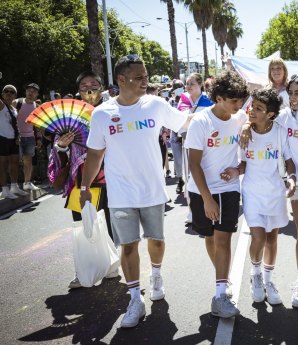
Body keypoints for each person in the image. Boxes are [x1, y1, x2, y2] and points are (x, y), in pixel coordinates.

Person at [80, 55, 188, 328]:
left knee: (156, 241)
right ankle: (134, 299)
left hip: (152, 190)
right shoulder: (102, 114)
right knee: (128, 245)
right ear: (121, 80)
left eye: (145, 75)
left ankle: (156, 274)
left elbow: (186, 123)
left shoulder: (156, 105)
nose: (145, 81)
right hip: (121, 194)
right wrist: (84, 186)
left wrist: (222, 115)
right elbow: (94, 155)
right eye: (139, 77)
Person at [240, 75, 298, 308]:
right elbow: (260, 120)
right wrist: (245, 126)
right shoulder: (284, 118)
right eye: (290, 93)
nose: (292, 98)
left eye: (297, 93)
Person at [184, 70, 249, 318]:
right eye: (234, 101)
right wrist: (207, 198)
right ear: (219, 97)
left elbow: (252, 119)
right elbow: (194, 165)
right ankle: (222, 280)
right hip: (201, 190)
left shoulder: (240, 115)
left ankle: (220, 294)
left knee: (223, 240)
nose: (239, 105)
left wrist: (246, 126)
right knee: (210, 239)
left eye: (241, 100)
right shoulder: (201, 122)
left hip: (229, 188)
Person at [46, 71, 117, 289]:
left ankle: (111, 264)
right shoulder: (70, 116)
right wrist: (62, 145)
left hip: (111, 177)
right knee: (81, 224)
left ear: (101, 87)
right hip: (80, 180)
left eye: (94, 84)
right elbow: (59, 153)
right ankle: (84, 269)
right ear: (79, 90)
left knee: (110, 222)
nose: (89, 88)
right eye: (84, 85)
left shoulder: (113, 111)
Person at [235, 88, 296, 305]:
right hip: (252, 193)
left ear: (270, 114)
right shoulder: (244, 131)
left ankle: (269, 280)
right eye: (252, 106)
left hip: (275, 193)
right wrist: (235, 171)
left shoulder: (280, 131)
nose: (252, 111)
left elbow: (289, 159)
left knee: (272, 239)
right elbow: (242, 163)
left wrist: (292, 178)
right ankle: (256, 275)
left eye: (259, 108)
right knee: (258, 237)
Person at [175, 73, 214, 224]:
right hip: (188, 143)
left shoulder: (208, 101)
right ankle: (192, 211)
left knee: (204, 174)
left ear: (200, 85)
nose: (188, 86)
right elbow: (179, 122)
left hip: (205, 145)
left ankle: (207, 206)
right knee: (188, 176)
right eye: (187, 83)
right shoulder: (183, 100)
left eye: (192, 83)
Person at [0, 85, 27, 199]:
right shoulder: (1, 105)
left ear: (15, 96)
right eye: (6, 91)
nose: (9, 93)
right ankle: (5, 189)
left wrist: (18, 136)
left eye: (12, 92)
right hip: (2, 138)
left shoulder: (14, 109)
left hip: (13, 140)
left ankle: (14, 187)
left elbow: (16, 125)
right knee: (3, 164)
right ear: (2, 94)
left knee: (15, 163)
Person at [14, 83, 41, 191]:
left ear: (37, 94)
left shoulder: (37, 107)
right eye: (29, 90)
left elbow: (38, 124)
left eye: (33, 91)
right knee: (14, 161)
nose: (30, 93)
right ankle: (13, 185)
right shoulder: (17, 102)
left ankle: (27, 183)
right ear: (25, 92)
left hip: (30, 137)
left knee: (28, 161)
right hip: (16, 137)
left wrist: (38, 138)